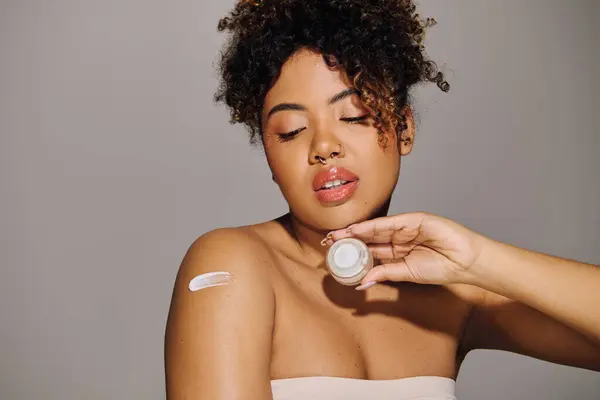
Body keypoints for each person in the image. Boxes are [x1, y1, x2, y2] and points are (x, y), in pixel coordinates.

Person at [164, 0, 600, 399]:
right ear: (269, 157)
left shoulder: (451, 294)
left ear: (404, 129)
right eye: (291, 130)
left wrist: (478, 260)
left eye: (354, 115)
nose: (324, 146)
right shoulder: (231, 263)